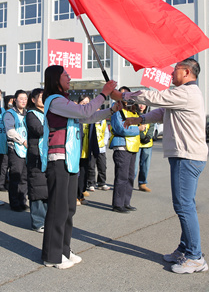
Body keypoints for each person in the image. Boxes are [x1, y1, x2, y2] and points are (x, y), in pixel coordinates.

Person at [118, 58, 209, 274]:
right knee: (186, 204)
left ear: (186, 72)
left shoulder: (186, 92)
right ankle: (185, 249)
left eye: (175, 69)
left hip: (186, 157)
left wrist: (125, 96)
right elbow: (161, 112)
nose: (171, 73)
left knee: (183, 206)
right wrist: (139, 120)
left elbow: (156, 98)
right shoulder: (182, 94)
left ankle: (195, 257)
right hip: (186, 155)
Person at [41, 65, 121, 269]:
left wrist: (111, 110)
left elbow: (88, 117)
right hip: (58, 159)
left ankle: (64, 250)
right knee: (58, 209)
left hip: (70, 159)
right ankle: (52, 256)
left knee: (68, 208)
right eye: (65, 75)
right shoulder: (55, 100)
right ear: (55, 79)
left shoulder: (65, 101)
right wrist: (103, 93)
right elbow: (84, 110)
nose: (69, 77)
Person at [108, 101, 141, 213]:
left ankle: (126, 202)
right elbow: (121, 129)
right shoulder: (118, 113)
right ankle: (118, 204)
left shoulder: (135, 114)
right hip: (122, 147)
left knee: (130, 176)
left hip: (133, 148)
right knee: (122, 176)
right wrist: (138, 129)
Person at [25, 88, 47, 232]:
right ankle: (38, 222)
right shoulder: (31, 114)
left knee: (46, 188)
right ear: (33, 100)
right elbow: (39, 130)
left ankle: (47, 218)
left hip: (47, 155)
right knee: (37, 188)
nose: (43, 99)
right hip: (36, 155)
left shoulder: (49, 112)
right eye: (40, 97)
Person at [4, 89, 29, 211]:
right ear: (15, 100)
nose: (23, 101)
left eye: (25, 99)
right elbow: (10, 131)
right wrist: (22, 141)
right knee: (15, 176)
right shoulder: (10, 113)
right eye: (21, 99)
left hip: (27, 149)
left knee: (24, 177)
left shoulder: (28, 113)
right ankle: (14, 202)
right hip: (16, 148)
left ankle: (22, 200)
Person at [86, 116, 111, 192]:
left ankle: (102, 183)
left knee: (102, 166)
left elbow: (106, 133)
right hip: (92, 147)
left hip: (101, 148)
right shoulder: (90, 119)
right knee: (91, 166)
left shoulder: (103, 121)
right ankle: (91, 183)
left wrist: (104, 142)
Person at [135, 104, 154, 192]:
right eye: (140, 103)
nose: (142, 106)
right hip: (137, 144)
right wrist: (142, 136)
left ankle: (142, 183)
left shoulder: (150, 115)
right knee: (134, 167)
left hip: (147, 144)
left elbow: (152, 126)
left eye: (143, 104)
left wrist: (148, 136)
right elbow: (136, 126)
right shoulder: (134, 114)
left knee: (145, 166)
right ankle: (129, 183)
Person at [77, 95, 91, 205]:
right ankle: (75, 197)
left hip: (86, 150)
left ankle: (81, 194)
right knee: (76, 176)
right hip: (77, 150)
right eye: (83, 103)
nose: (85, 105)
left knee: (83, 174)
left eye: (87, 103)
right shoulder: (76, 116)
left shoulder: (90, 117)